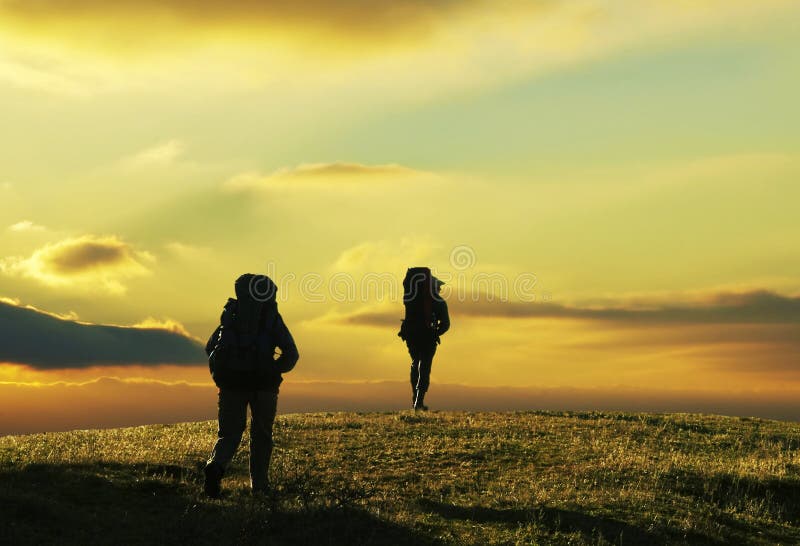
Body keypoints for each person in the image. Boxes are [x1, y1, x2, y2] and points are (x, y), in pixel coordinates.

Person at [203, 273, 299, 498]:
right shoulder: (271, 318)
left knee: (229, 433)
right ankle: (260, 486)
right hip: (264, 386)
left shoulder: (230, 316)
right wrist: (274, 369)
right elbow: (292, 354)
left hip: (231, 385)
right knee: (262, 435)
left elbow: (210, 348)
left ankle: (215, 466)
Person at [399, 268, 450, 411]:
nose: (440, 288)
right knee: (425, 366)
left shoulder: (413, 300)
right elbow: (446, 324)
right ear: (433, 286)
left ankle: (415, 397)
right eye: (439, 286)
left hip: (411, 335)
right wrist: (436, 333)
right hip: (428, 338)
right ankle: (418, 402)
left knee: (415, 363)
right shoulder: (439, 302)